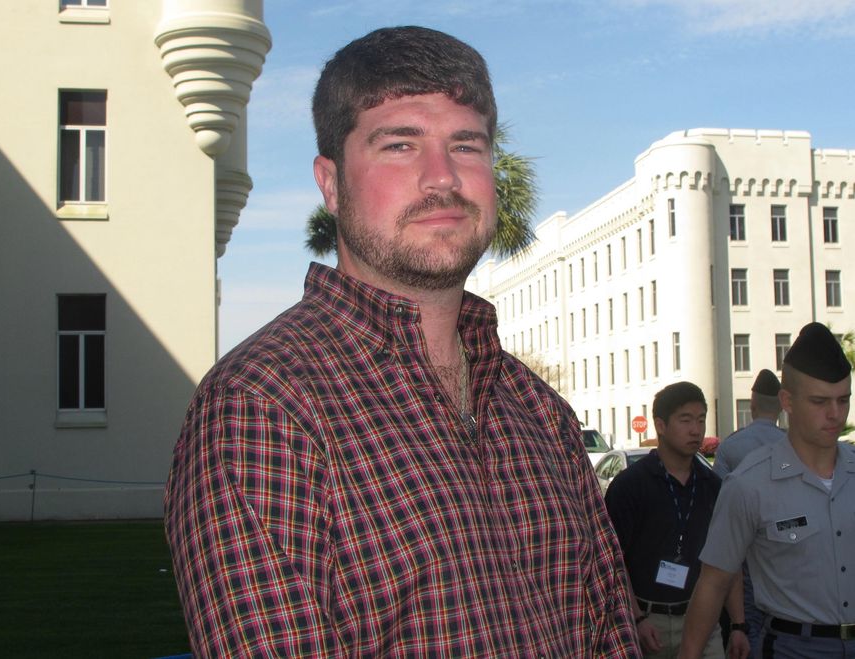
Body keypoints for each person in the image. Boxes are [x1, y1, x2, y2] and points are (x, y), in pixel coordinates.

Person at [164, 26, 639, 657]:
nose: (442, 178)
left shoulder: (542, 414)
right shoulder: (262, 408)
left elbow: (611, 636)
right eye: (399, 145)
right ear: (330, 184)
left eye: (466, 146)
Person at [680, 322, 854, 658]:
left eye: (843, 400)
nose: (835, 414)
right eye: (820, 401)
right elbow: (713, 583)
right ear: (787, 401)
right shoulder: (751, 484)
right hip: (794, 647)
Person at [604, 381, 748, 658]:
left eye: (701, 420)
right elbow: (613, 561)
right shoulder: (631, 485)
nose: (696, 430)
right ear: (660, 425)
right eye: (685, 420)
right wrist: (636, 619)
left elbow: (730, 560)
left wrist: (739, 624)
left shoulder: (713, 486)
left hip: (703, 618)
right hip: (648, 622)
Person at [713, 368, 787, 657]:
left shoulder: (732, 446)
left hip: (744, 556)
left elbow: (718, 503)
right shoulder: (793, 444)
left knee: (750, 625)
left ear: (752, 404)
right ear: (782, 405)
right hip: (785, 552)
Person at [713, 369, 786, 479]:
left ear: (752, 407)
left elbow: (718, 490)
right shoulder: (794, 446)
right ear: (781, 408)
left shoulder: (729, 446)